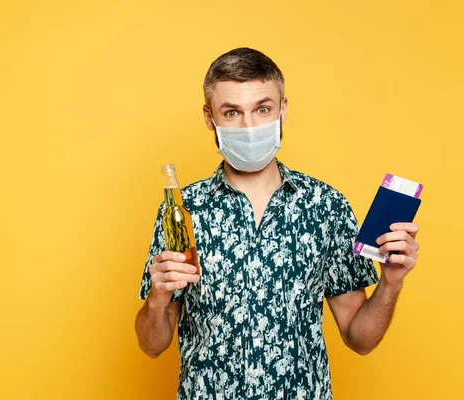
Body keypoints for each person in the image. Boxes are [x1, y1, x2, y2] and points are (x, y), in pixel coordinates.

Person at [134, 47, 420, 399]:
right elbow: (152, 346)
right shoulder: (183, 210)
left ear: (283, 109)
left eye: (263, 108)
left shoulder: (325, 206)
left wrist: (390, 284)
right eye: (232, 112)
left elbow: (359, 339)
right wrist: (157, 301)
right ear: (210, 118)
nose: (250, 126)